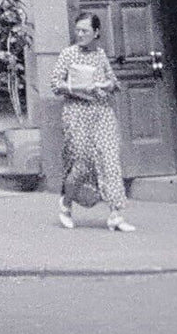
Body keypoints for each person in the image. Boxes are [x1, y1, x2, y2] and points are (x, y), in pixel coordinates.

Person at [52, 12, 135, 232]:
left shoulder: (100, 55)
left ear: (96, 33)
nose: (79, 34)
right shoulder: (68, 54)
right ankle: (66, 204)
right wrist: (79, 88)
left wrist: (106, 85)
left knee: (110, 159)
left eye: (85, 31)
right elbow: (55, 84)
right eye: (77, 30)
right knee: (81, 161)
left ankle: (116, 215)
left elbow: (114, 83)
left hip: (101, 112)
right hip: (76, 113)